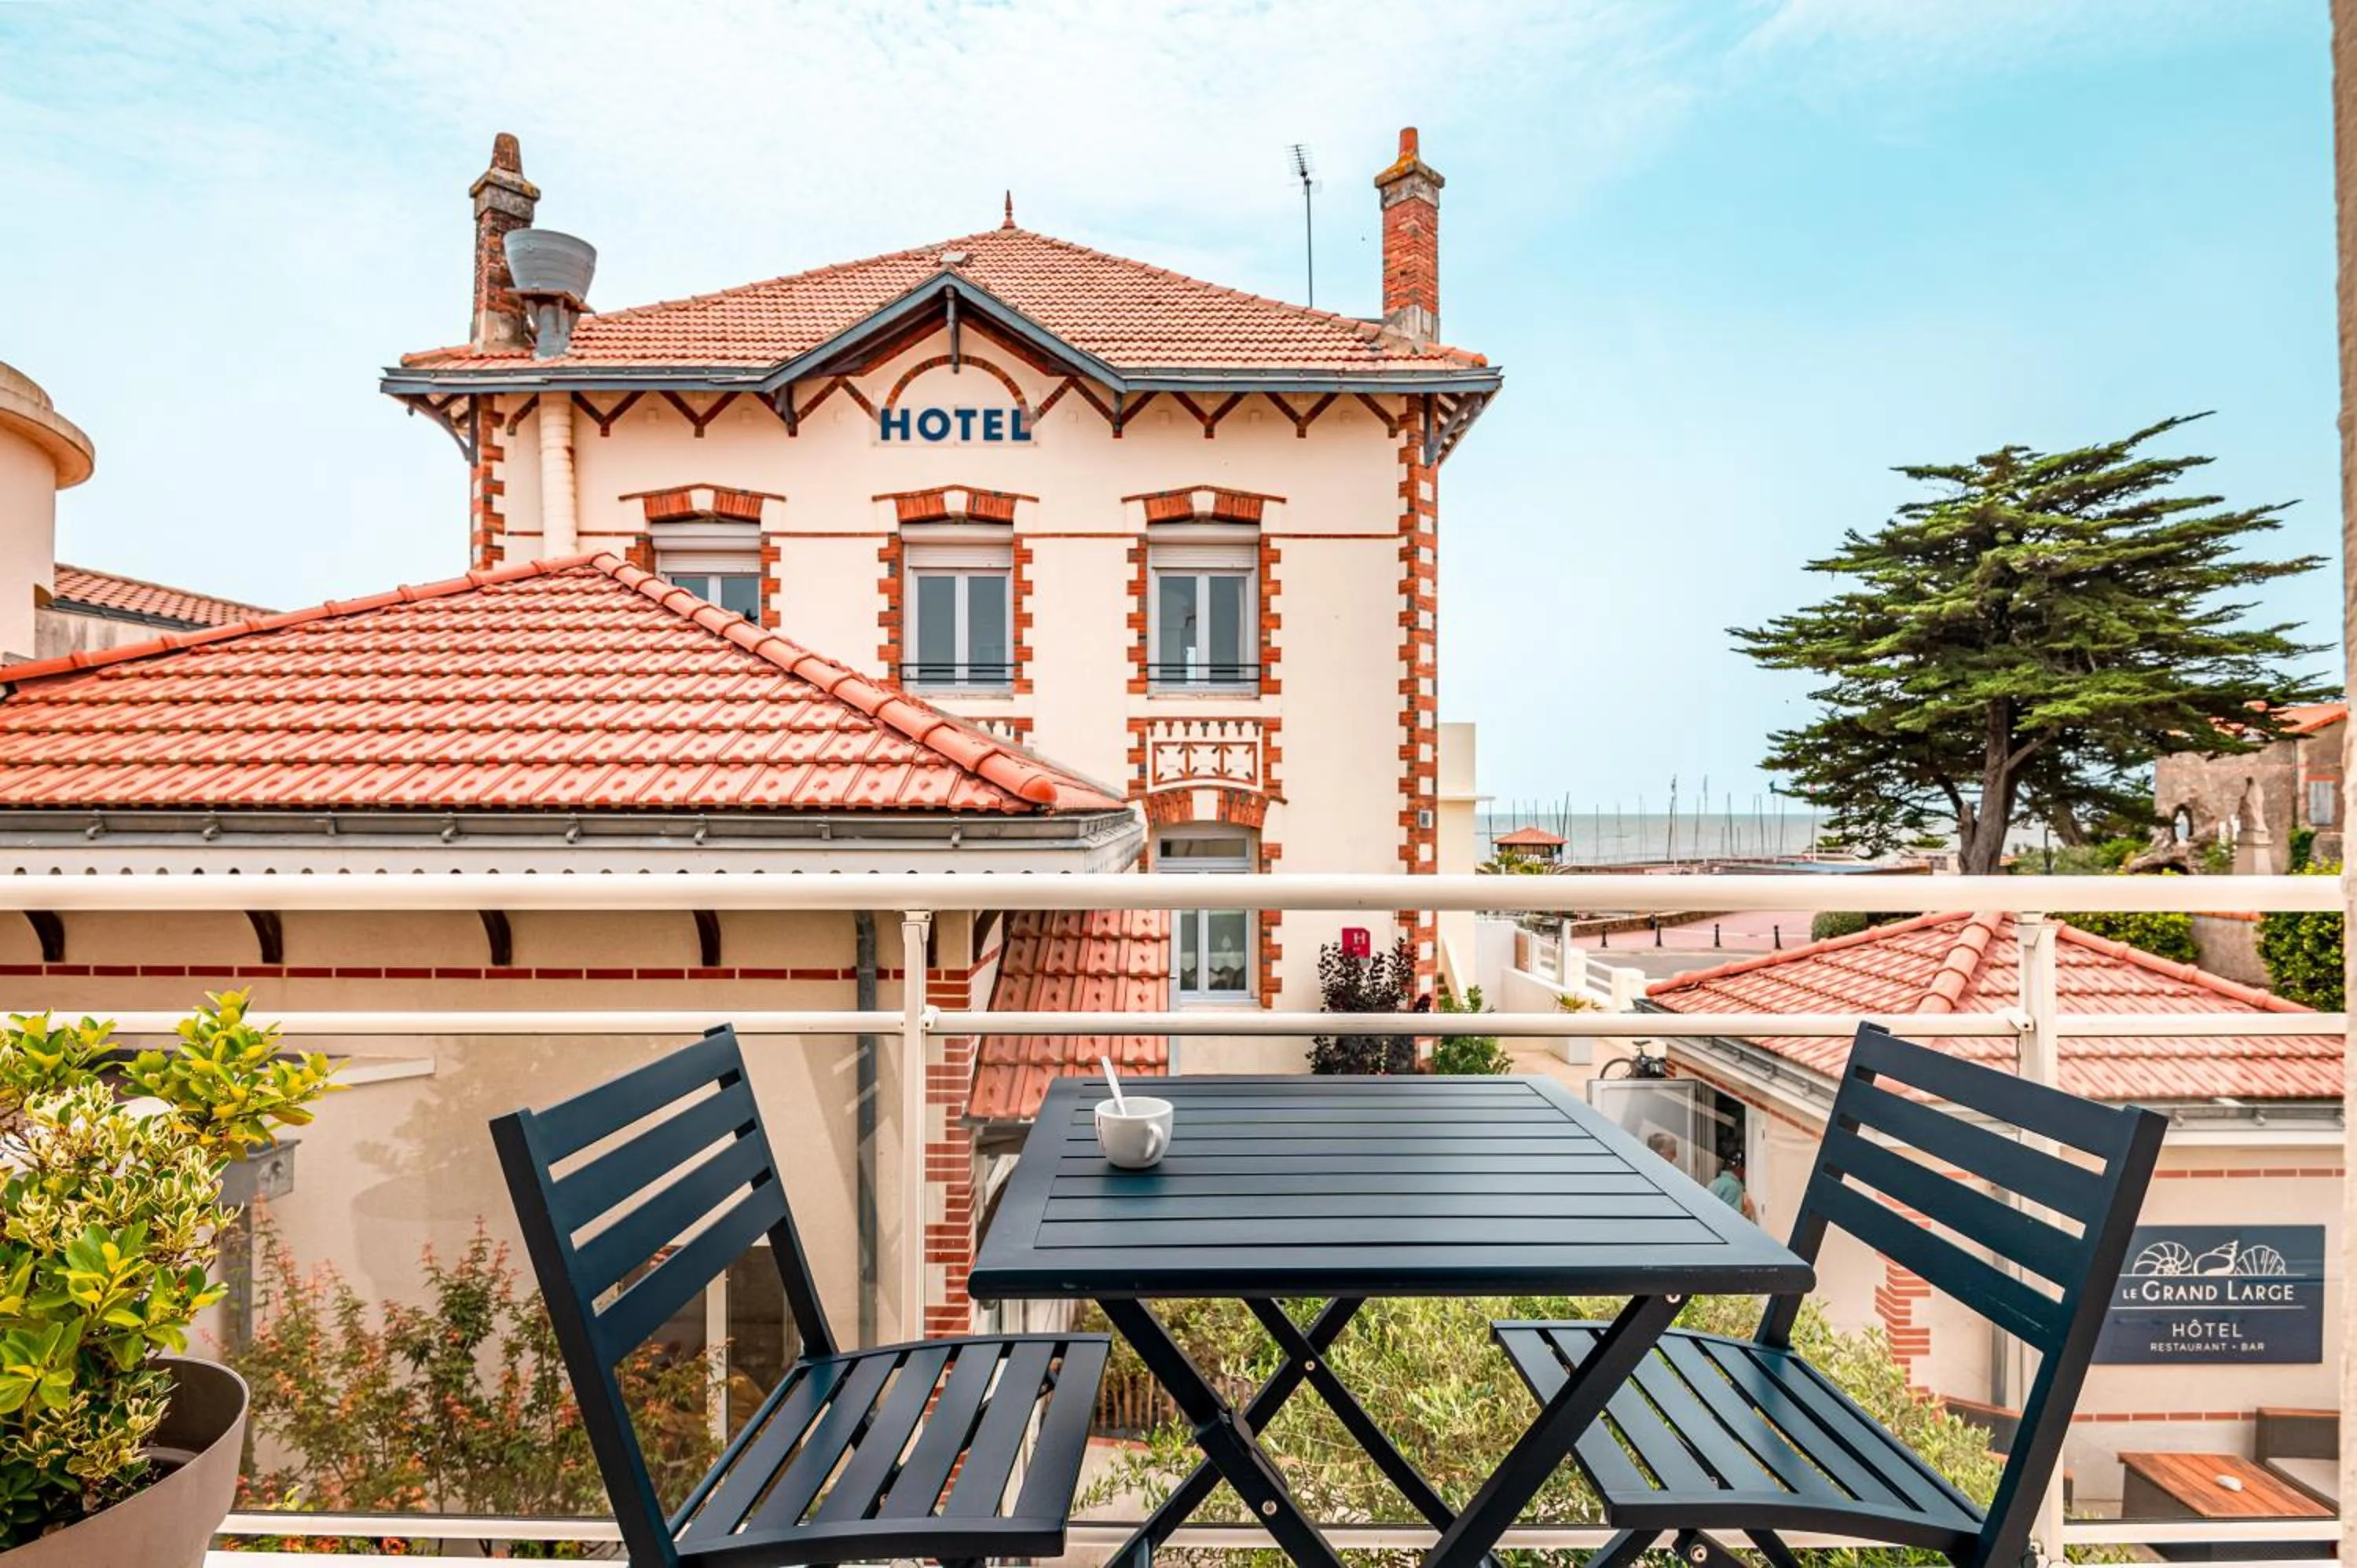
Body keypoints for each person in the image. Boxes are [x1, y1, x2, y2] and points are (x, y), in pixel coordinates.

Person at [1709, 1152, 1758, 1222]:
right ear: (1740, 1168)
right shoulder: (1734, 1187)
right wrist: (1749, 1210)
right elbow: (1734, 1222)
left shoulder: (1715, 1183)